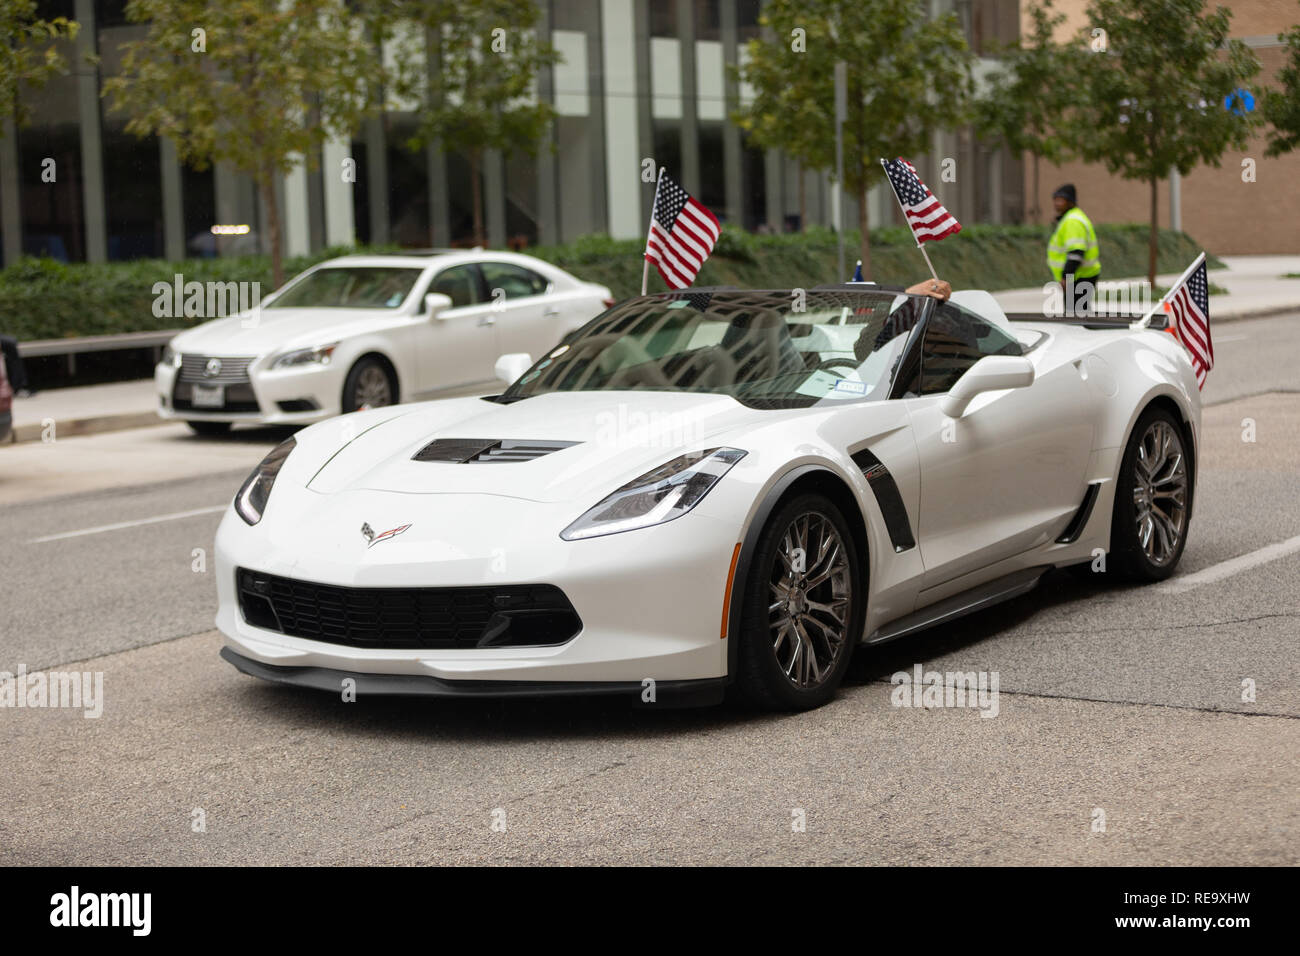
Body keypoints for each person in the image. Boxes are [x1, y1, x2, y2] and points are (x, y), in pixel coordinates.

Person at [1047, 184, 1100, 315]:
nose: (1056, 203)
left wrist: (1066, 278)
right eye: (1055, 199)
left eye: (1061, 200)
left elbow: (1076, 254)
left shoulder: (1072, 221)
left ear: (1070, 202)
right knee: (1079, 315)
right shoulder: (1071, 218)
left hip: (1079, 277)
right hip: (1080, 276)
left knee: (1076, 317)